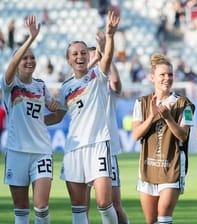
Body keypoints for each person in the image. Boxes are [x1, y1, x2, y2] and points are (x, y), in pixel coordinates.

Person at [44, 7, 120, 224]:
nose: (80, 56)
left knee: (105, 204)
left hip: (98, 145)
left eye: (83, 52)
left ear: (89, 56)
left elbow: (107, 60)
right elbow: (57, 116)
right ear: (69, 60)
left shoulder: (98, 75)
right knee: (78, 209)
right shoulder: (66, 87)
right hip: (74, 149)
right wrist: (36, 122)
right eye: (75, 54)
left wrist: (110, 36)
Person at [1, 15, 59, 224]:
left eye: (32, 57)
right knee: (21, 210)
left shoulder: (41, 86)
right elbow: (12, 63)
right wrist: (30, 38)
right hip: (16, 152)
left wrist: (56, 109)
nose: (29, 60)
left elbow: (55, 117)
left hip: (41, 151)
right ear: (17, 64)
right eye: (24, 58)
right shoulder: (9, 85)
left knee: (41, 207)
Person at [132, 53, 195, 224]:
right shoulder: (141, 102)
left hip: (172, 167)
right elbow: (136, 134)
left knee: (164, 217)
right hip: (147, 167)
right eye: (162, 74)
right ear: (152, 77)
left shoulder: (184, 104)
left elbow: (183, 135)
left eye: (170, 75)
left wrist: (168, 118)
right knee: (151, 220)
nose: (167, 78)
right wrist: (152, 117)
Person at [87, 32, 129, 224]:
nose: (95, 62)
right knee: (82, 205)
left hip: (107, 150)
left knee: (113, 203)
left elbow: (117, 83)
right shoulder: (77, 87)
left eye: (97, 59)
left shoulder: (107, 89)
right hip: (84, 150)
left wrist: (105, 55)